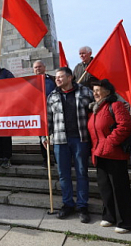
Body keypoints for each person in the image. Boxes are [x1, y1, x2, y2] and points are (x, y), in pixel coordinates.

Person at [45, 67, 94, 223]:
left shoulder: (85, 92)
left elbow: (95, 109)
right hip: (60, 140)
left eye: (60, 77)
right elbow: (48, 118)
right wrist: (44, 136)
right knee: (63, 175)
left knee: (81, 173)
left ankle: (82, 206)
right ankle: (67, 204)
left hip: (80, 138)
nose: (57, 79)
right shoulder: (52, 96)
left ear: (70, 77)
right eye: (56, 77)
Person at [88, 79, 131, 233]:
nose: (95, 93)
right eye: (93, 90)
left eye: (98, 90)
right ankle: (109, 216)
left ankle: (125, 222)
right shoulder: (95, 109)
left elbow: (125, 126)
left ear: (107, 91)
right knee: (105, 188)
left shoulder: (116, 106)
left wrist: (109, 142)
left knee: (119, 189)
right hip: (99, 154)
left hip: (114, 154)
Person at [33, 60, 56, 168]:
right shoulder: (31, 81)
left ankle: (57, 158)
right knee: (42, 138)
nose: (38, 69)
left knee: (55, 136)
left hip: (53, 111)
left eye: (39, 66)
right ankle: (46, 159)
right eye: (36, 67)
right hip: (39, 113)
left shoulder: (53, 79)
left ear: (44, 67)